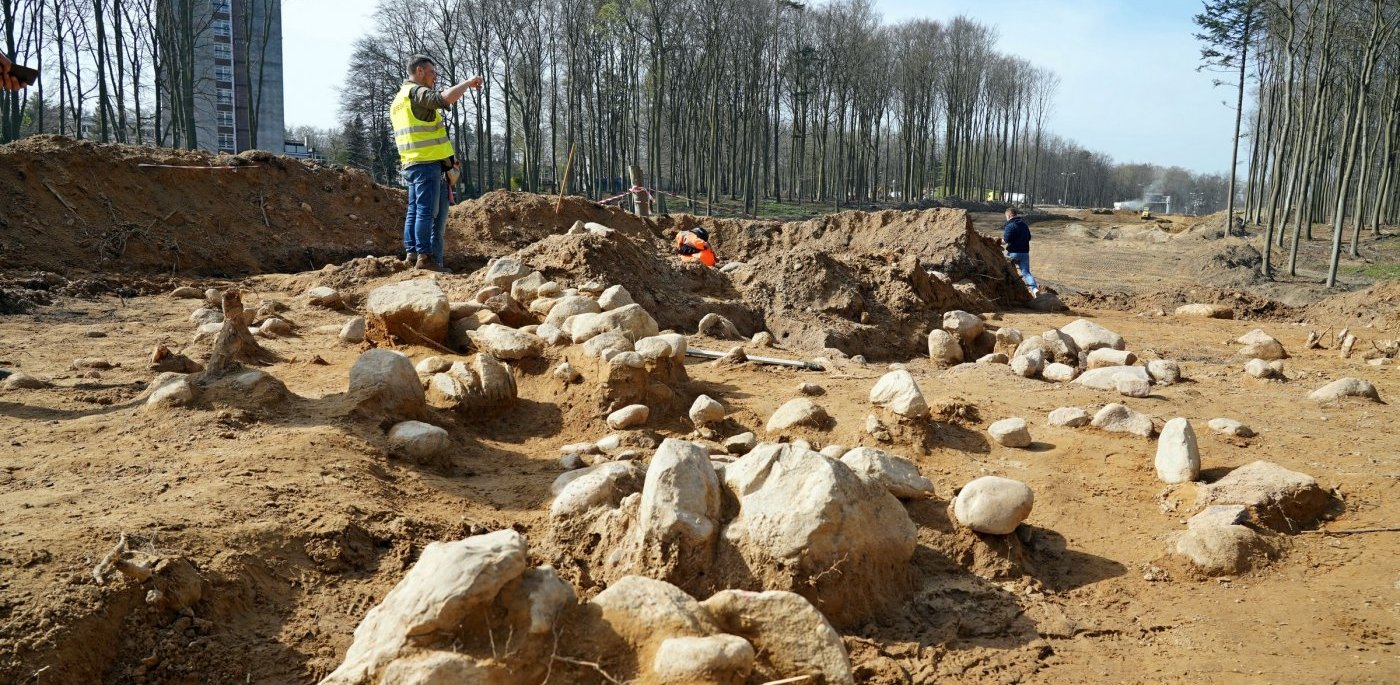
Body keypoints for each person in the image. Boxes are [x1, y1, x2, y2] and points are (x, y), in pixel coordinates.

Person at [391, 54, 481, 271]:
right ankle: (425, 258)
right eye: (432, 72)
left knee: (414, 210)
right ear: (419, 71)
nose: (435, 77)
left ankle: (412, 254)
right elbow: (442, 99)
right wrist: (468, 83)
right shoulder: (417, 92)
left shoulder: (398, 100)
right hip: (426, 163)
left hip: (411, 163)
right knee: (425, 211)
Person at [999, 206, 1039, 296]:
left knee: (1007, 270)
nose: (1006, 219)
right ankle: (1035, 289)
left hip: (1013, 253)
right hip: (1024, 253)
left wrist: (997, 242)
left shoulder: (1010, 225)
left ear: (1009, 216)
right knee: (1026, 273)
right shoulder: (1024, 225)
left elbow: (1005, 240)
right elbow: (1028, 237)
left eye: (1006, 217)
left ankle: (1011, 291)